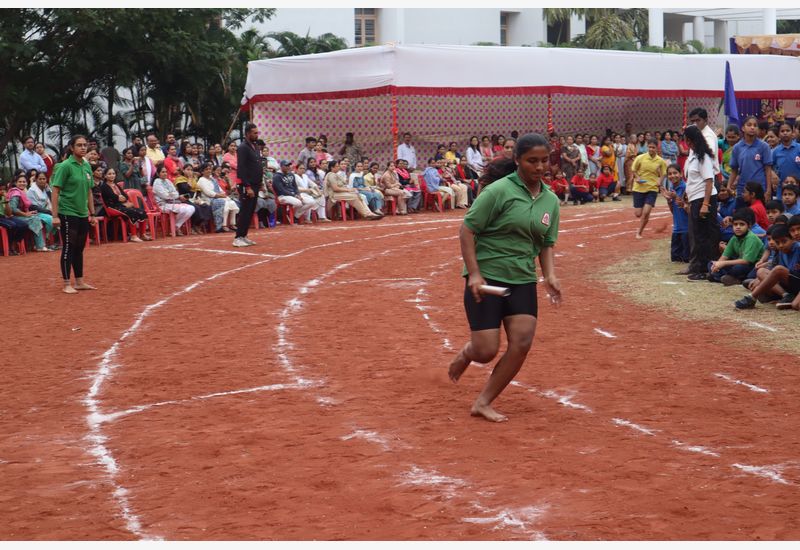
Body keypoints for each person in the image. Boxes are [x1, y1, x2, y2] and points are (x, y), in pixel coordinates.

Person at [448, 133, 561, 423]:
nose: (539, 167)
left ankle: (483, 402)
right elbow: (467, 230)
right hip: (488, 276)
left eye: (544, 160)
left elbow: (546, 243)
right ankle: (467, 353)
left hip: (522, 278)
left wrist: (549, 275)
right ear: (517, 160)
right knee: (486, 351)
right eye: (531, 161)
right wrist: (473, 273)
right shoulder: (498, 191)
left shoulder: (550, 200)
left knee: (522, 343)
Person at [50, 135, 98, 293]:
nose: (83, 148)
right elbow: (55, 191)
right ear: (72, 147)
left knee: (79, 248)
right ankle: (66, 284)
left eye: (85, 145)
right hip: (67, 212)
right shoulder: (65, 166)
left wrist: (92, 213)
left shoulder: (86, 166)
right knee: (69, 247)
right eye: (79, 145)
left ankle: (79, 281)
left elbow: (89, 191)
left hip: (82, 213)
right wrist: (55, 215)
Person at [683, 125, 721, 281]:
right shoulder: (694, 154)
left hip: (703, 198)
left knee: (704, 235)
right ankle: (702, 268)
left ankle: (707, 269)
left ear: (688, 139)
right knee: (699, 234)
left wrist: (705, 204)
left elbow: (709, 181)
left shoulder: (702, 156)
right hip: (696, 198)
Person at [734, 223, 800, 310]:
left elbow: (787, 271)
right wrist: (761, 280)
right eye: (777, 242)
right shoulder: (780, 251)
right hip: (789, 282)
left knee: (778, 270)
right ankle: (786, 296)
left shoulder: (797, 248)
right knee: (761, 272)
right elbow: (773, 269)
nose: (780, 245)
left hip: (796, 281)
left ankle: (752, 298)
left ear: (792, 239)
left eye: (784, 241)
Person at [708, 208, 764, 285]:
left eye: (742, 224)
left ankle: (733, 279)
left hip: (752, 265)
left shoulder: (751, 238)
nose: (738, 227)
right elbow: (725, 256)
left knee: (738, 268)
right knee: (711, 264)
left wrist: (723, 264)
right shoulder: (734, 238)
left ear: (749, 226)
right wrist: (717, 265)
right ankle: (726, 277)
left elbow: (746, 261)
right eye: (735, 224)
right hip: (738, 262)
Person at [727, 116, 774, 205]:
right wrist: (729, 186)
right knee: (742, 217)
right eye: (749, 125)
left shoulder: (764, 146)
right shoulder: (737, 147)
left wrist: (768, 190)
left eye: (755, 125)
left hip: (760, 190)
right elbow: (734, 170)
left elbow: (768, 170)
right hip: (743, 190)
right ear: (743, 128)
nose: (752, 127)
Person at [99, 167, 149, 242]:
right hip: (111, 208)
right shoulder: (104, 186)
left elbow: (125, 196)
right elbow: (111, 197)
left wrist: (121, 199)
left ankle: (143, 234)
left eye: (113, 174)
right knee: (132, 213)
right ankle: (133, 235)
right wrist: (119, 198)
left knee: (142, 211)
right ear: (105, 176)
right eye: (109, 174)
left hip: (121, 205)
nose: (112, 175)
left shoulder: (116, 185)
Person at [631, 139, 667, 239]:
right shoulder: (640, 157)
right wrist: (637, 177)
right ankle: (642, 223)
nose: (651, 149)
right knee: (638, 214)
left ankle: (639, 232)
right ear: (647, 147)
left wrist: (660, 180)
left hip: (652, 188)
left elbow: (664, 173)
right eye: (650, 147)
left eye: (653, 147)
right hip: (639, 188)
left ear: (657, 148)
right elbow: (633, 169)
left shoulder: (660, 161)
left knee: (646, 212)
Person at [7, 170, 51, 252]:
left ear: (27, 183)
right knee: (35, 219)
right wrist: (25, 214)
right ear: (16, 183)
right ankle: (40, 246)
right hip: (14, 217)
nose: (22, 183)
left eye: (24, 182)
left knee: (37, 217)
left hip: (21, 215)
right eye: (20, 182)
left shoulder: (22, 192)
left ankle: (36, 244)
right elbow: (13, 209)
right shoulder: (15, 193)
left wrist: (28, 213)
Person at [233, 123, 262, 247]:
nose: (257, 135)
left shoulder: (255, 146)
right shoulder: (243, 148)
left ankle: (244, 235)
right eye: (254, 133)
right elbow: (242, 168)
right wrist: (247, 186)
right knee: (245, 211)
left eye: (257, 132)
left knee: (250, 211)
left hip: (255, 183)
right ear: (248, 133)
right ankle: (238, 237)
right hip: (247, 185)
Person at [152, 164, 195, 234]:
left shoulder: (168, 181)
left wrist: (171, 194)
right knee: (183, 209)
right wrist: (172, 194)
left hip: (173, 203)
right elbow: (165, 196)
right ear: (158, 173)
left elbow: (176, 193)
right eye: (163, 172)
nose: (165, 173)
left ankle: (175, 226)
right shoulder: (157, 182)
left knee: (191, 208)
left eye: (166, 172)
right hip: (162, 205)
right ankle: (174, 227)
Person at [197, 162, 239, 232]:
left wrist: (223, 195)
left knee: (232, 202)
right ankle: (222, 225)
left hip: (217, 197)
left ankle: (232, 224)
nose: (209, 171)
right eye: (206, 169)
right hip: (209, 200)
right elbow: (209, 193)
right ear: (202, 171)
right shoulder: (201, 180)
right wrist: (222, 196)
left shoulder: (212, 179)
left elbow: (220, 190)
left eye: (210, 169)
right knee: (224, 202)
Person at [665, 164, 689, 263]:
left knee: (687, 259)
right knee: (675, 259)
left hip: (686, 228)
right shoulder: (672, 188)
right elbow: (673, 211)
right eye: (669, 174)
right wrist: (669, 201)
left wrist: (675, 197)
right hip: (677, 228)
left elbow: (688, 208)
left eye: (675, 173)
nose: (672, 176)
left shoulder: (685, 188)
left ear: (681, 174)